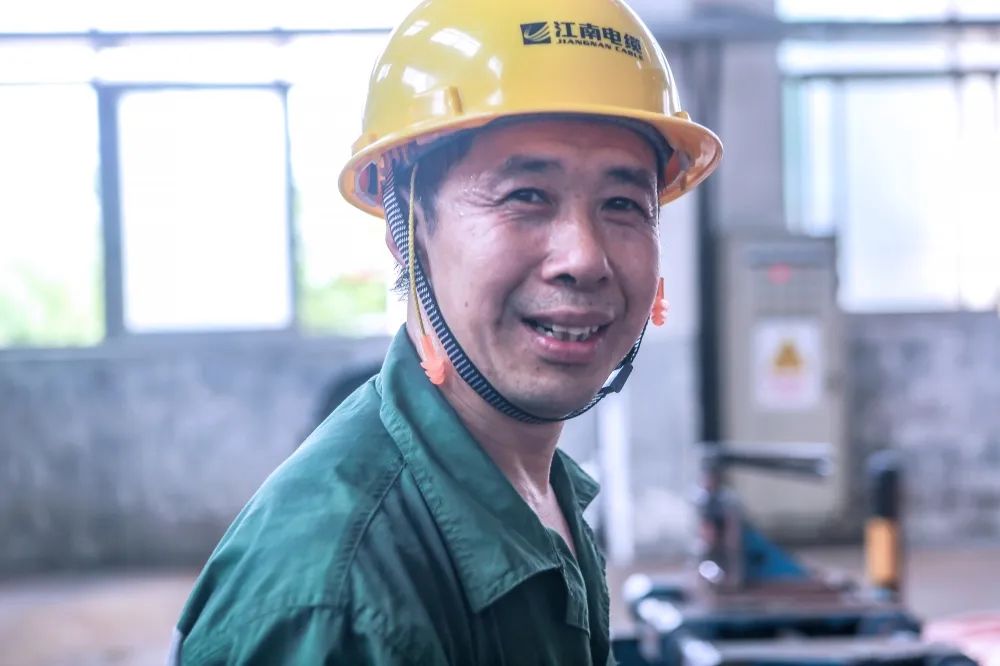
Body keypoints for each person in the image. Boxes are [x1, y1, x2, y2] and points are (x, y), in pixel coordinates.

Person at [170, 0, 721, 663]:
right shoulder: (341, 599)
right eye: (526, 196)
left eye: (623, 204)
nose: (584, 258)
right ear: (405, 229)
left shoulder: (538, 488)